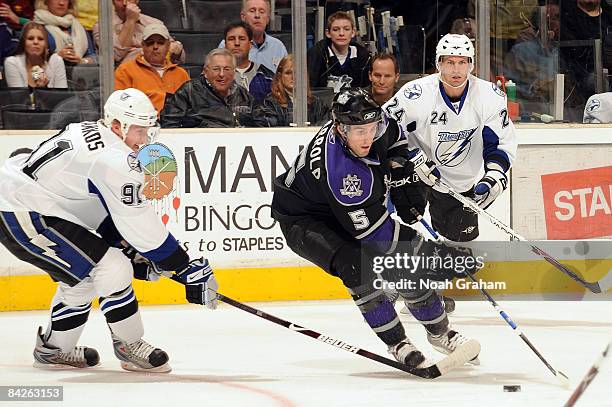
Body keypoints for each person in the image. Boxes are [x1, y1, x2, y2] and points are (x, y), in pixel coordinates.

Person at [0, 88, 218, 371]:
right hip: (22, 211)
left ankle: (54, 350)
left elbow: (95, 207)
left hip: (38, 203)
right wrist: (181, 265)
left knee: (85, 277)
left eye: (148, 129)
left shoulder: (93, 131)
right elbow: (137, 221)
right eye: (140, 131)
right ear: (117, 126)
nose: (146, 139)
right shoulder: (115, 160)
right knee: (113, 268)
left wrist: (137, 252)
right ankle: (130, 345)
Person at [271, 88, 481, 368]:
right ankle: (398, 343)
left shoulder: (379, 125)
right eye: (360, 131)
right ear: (340, 129)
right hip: (305, 219)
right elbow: (378, 237)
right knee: (358, 267)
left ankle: (440, 333)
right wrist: (433, 253)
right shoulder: (342, 172)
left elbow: (395, 138)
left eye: (372, 127)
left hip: (341, 207)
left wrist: (398, 167)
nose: (368, 136)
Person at [383, 34, 517, 314]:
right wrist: (411, 156)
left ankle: (423, 285)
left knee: (459, 246)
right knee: (403, 221)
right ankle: (397, 280)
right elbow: (383, 126)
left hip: (460, 180)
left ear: (471, 65)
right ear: (438, 64)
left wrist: (493, 177)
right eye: (448, 62)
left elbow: (499, 142)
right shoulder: (415, 94)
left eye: (462, 63)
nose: (455, 70)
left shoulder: (490, 97)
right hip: (415, 172)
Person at [161, 48, 257, 128]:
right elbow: (169, 125)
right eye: (216, 69)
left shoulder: (243, 95)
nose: (221, 74)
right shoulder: (189, 91)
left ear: (234, 72)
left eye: (227, 69)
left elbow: (260, 125)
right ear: (206, 72)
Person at [115, 22, 189, 114]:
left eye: (160, 43)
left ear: (168, 45)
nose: (155, 47)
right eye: (150, 43)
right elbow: (119, 106)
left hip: (176, 124)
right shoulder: (125, 70)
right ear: (142, 45)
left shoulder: (181, 74)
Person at [93, 0, 184, 65]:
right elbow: (115, 56)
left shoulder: (154, 23)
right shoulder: (102, 26)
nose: (124, 3)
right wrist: (130, 21)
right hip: (125, 80)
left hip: (158, 74)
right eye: (119, 0)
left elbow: (181, 57)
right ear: (112, 1)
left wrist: (176, 49)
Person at [256, 54, 329, 127]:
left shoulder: (318, 104)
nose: (293, 77)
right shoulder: (270, 104)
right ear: (279, 76)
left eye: (297, 73)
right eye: (288, 73)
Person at [307, 11, 371, 91]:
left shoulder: (363, 56)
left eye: (346, 29)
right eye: (336, 29)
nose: (341, 33)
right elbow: (311, 88)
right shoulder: (316, 54)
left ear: (353, 32)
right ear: (328, 33)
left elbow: (367, 88)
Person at [218, 0, 287, 72]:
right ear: (243, 17)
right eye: (252, 11)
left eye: (261, 11)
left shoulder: (278, 47)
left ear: (267, 18)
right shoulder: (227, 45)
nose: (257, 15)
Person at [4, 21, 66, 87]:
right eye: (30, 38)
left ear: (46, 44)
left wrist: (43, 89)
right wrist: (39, 89)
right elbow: (18, 97)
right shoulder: (12, 63)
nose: (36, 42)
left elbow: (62, 95)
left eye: (40, 39)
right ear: (23, 43)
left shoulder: (56, 60)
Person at [223, 21, 273, 104]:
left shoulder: (266, 76)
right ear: (225, 45)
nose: (237, 43)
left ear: (250, 44)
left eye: (242, 39)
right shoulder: (216, 75)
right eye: (231, 39)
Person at [33, 0, 96, 65]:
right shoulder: (36, 27)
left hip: (80, 73)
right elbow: (31, 60)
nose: (61, 3)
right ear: (45, 1)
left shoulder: (78, 26)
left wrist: (82, 61)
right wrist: (57, 57)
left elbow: (93, 58)